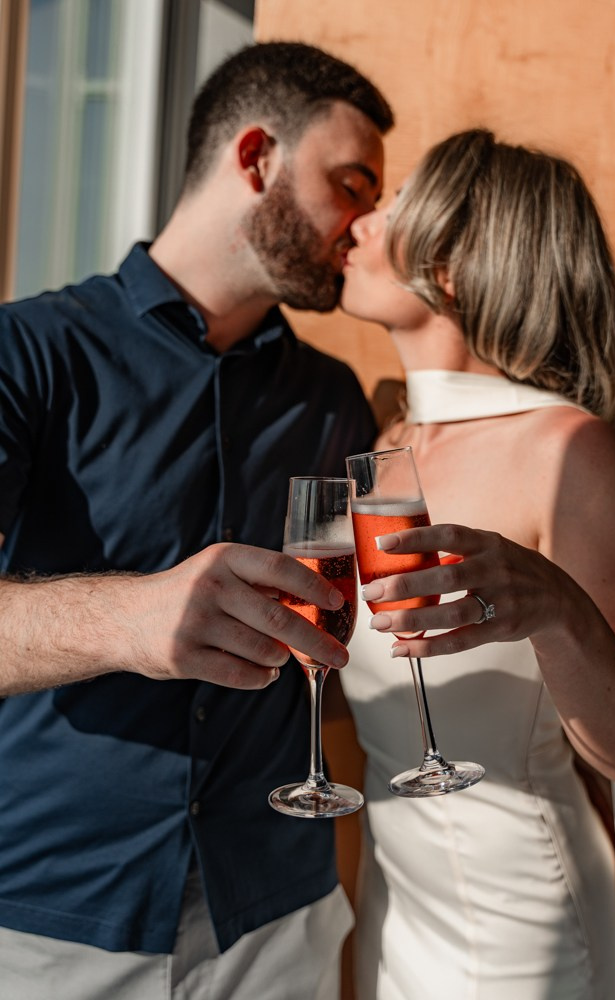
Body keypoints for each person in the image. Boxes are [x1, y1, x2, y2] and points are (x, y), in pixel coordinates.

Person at [0, 42, 394, 1000]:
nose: (364, 225)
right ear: (255, 157)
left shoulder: (333, 398)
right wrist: (128, 620)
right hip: (54, 921)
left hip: (281, 916)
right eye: (349, 185)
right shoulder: (30, 351)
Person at [338, 129, 615, 999]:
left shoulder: (569, 452)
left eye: (394, 207)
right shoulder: (392, 446)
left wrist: (557, 611)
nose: (362, 222)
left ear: (446, 267)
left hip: (523, 935)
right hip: (394, 913)